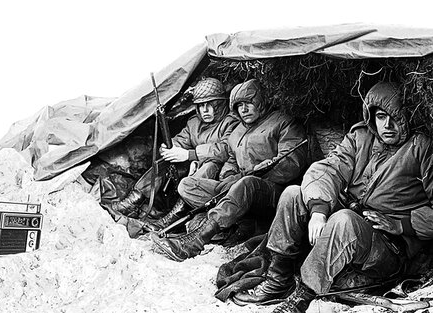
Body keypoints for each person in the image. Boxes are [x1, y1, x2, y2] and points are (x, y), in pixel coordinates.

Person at [233, 81, 433, 313]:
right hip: (353, 221)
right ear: (371, 118)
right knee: (293, 194)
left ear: (408, 117)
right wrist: (319, 210)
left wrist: (402, 225)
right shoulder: (361, 138)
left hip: (389, 247)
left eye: (395, 118)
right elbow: (329, 169)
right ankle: (279, 279)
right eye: (380, 117)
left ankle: (302, 297)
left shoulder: (422, 148)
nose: (387, 125)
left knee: (344, 219)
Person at [152, 79, 308, 262]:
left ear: (261, 101)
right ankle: (232, 222)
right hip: (239, 189)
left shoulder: (283, 122)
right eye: (239, 105)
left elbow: (290, 165)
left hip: (274, 194)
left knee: (246, 184)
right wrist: (228, 177)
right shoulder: (239, 130)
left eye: (249, 102)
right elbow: (231, 158)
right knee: (188, 185)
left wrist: (245, 175)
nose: (244, 109)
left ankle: (193, 243)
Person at [108, 77, 239, 223]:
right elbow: (182, 139)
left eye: (210, 104)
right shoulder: (194, 122)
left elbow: (226, 150)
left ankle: (173, 217)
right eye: (201, 106)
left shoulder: (231, 122)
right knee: (163, 162)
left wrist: (190, 155)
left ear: (220, 104)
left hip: (216, 174)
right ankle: (132, 201)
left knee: (209, 166)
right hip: (193, 166)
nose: (205, 110)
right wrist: (170, 148)